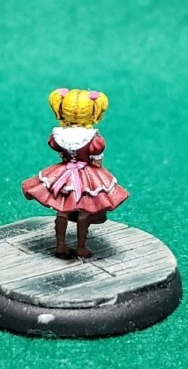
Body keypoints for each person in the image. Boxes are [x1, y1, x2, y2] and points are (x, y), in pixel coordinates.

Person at [21, 88, 129, 259]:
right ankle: (80, 247)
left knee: (62, 208)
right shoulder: (93, 138)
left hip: (63, 173)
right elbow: (96, 161)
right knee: (84, 210)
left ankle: (60, 245)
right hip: (86, 175)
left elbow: (58, 150)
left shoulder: (58, 135)